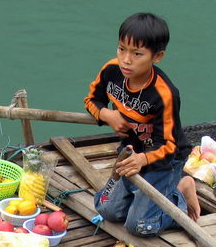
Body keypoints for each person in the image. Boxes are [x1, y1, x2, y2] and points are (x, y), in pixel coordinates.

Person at [84, 12, 200, 235]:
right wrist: (108, 115)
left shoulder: (164, 94)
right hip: (130, 153)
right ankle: (161, 194)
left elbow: (169, 144)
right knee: (105, 209)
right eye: (121, 49)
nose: (126, 60)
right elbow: (91, 100)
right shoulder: (111, 70)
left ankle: (180, 194)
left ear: (157, 57)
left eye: (137, 53)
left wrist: (143, 159)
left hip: (164, 159)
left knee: (138, 226)